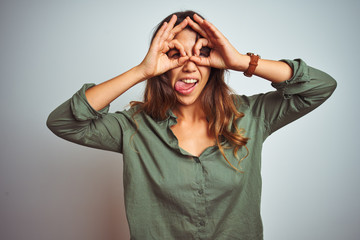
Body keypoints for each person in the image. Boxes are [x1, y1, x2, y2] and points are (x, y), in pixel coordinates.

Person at [47, 10, 336, 240]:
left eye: (201, 54)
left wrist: (240, 61)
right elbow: (64, 122)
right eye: (175, 55)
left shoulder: (251, 116)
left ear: (215, 63)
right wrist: (140, 71)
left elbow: (320, 87)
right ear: (160, 66)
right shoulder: (134, 128)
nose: (188, 66)